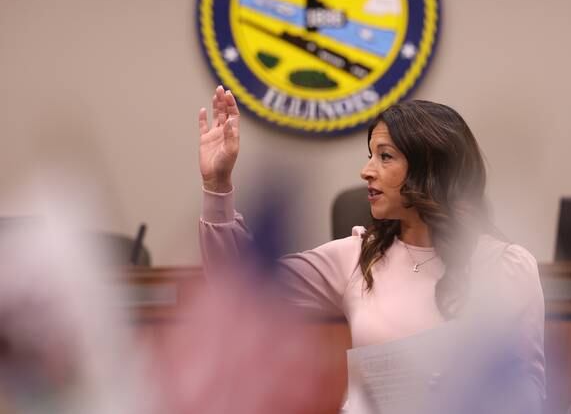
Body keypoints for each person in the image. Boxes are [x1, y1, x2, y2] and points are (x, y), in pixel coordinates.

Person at [197, 85, 546, 405]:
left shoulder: (506, 266)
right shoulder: (357, 256)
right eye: (370, 155)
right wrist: (217, 183)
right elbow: (241, 282)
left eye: (385, 156)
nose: (366, 170)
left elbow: (530, 390)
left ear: (430, 169)